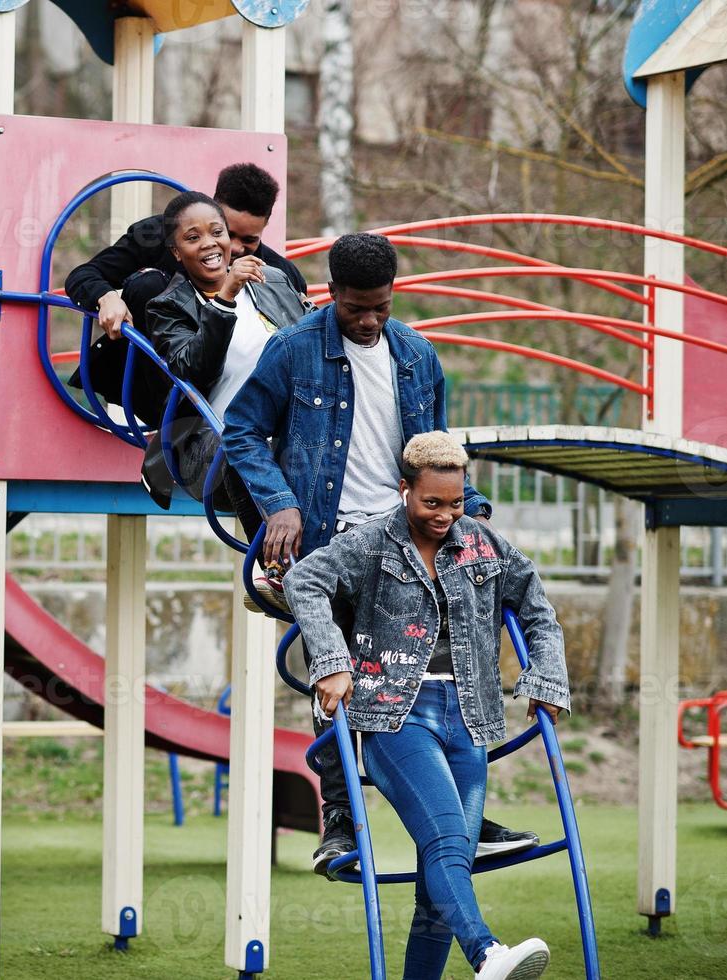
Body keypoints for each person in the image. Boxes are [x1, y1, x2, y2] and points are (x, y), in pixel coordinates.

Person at [222, 231, 538, 872]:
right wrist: (279, 504)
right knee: (337, 666)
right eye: (355, 307)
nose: (368, 321)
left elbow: (438, 462)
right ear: (330, 293)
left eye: (380, 308)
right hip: (333, 538)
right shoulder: (292, 351)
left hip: (407, 535)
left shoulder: (419, 357)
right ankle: (340, 821)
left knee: (447, 658)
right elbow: (243, 432)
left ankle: (462, 818)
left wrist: (470, 513)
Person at [285, 432, 571, 980]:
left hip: (469, 717)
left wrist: (545, 677)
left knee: (440, 878)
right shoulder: (370, 544)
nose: (444, 515)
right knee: (444, 835)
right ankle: (487, 953)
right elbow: (305, 581)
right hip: (397, 712)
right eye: (431, 503)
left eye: (456, 502)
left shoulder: (483, 546)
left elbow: (538, 608)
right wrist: (330, 659)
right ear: (403, 489)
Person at [142, 190, 308, 538]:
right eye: (192, 237)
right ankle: (273, 561)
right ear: (175, 252)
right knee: (243, 440)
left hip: (290, 434)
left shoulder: (272, 279)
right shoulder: (167, 307)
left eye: (217, 232)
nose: (209, 244)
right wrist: (225, 298)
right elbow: (193, 369)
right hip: (213, 450)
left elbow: (313, 337)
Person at [65, 162, 309, 338]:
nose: (233, 248)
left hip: (238, 380)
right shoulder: (157, 235)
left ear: (264, 227)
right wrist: (106, 297)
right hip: (161, 374)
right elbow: (84, 275)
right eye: (224, 231)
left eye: (249, 240)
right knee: (147, 285)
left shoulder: (277, 273)